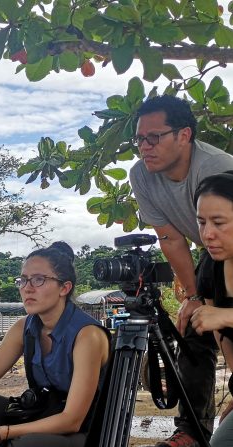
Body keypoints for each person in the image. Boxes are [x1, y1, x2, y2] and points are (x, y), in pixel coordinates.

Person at [0, 242, 110, 447]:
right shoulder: (24, 328)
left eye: (39, 280)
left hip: (82, 431)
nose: (27, 288)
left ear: (64, 288)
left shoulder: (87, 335)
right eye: (23, 280)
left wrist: (3, 432)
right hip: (40, 413)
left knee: (26, 443)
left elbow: (72, 420)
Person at [129, 95, 233, 447]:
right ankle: (192, 430)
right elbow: (171, 239)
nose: (145, 146)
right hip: (212, 255)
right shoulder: (142, 175)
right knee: (196, 325)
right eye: (140, 139)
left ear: (184, 135)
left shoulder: (218, 169)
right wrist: (193, 296)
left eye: (154, 137)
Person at [190, 172, 233, 446]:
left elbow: (221, 319)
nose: (207, 234)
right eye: (201, 222)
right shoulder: (210, 266)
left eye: (218, 223)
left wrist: (227, 315)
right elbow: (223, 335)